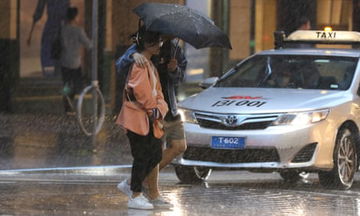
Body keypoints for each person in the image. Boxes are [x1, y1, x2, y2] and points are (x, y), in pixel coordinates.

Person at [115, 28, 187, 183]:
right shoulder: (144, 46)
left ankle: (136, 181)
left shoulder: (175, 50)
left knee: (179, 146)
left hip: (169, 106)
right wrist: (133, 55)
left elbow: (180, 79)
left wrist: (174, 70)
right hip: (150, 110)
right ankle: (148, 190)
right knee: (153, 151)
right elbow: (121, 65)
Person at [116, 27, 170, 210]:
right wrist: (155, 110)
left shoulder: (150, 64)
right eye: (158, 42)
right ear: (150, 44)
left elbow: (158, 93)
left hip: (149, 118)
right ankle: (136, 194)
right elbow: (143, 93)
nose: (161, 45)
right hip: (137, 118)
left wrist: (160, 108)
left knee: (154, 154)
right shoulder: (140, 63)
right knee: (142, 155)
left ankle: (132, 184)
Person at [60, 7, 92, 114]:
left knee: (66, 83)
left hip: (64, 61)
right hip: (75, 62)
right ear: (75, 17)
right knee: (77, 84)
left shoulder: (63, 29)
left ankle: (66, 99)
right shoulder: (78, 30)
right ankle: (69, 100)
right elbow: (88, 44)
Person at [27, 0, 70, 77]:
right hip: (58, 24)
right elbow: (38, 11)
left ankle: (52, 71)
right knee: (52, 48)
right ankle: (53, 71)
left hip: (56, 24)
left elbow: (38, 11)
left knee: (49, 47)